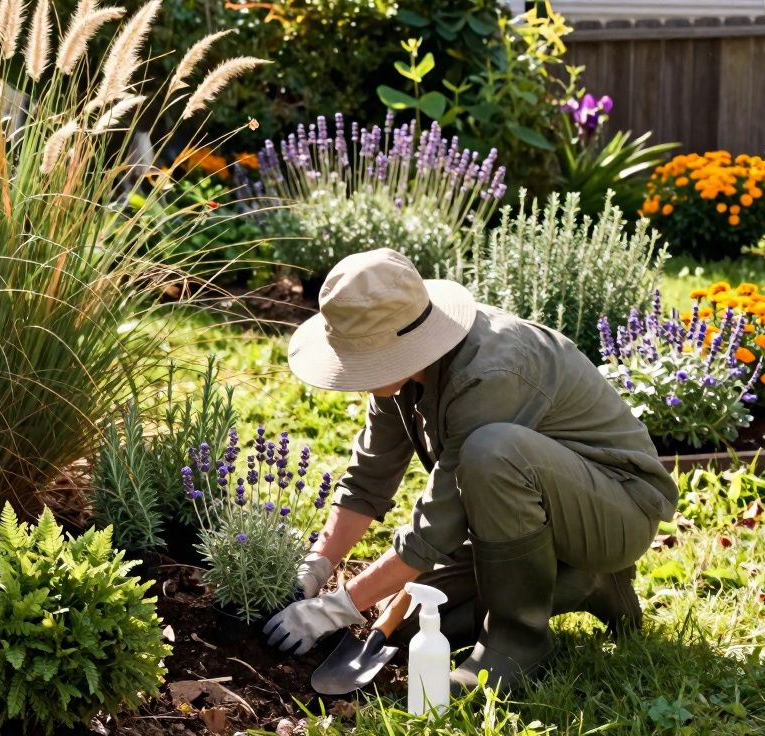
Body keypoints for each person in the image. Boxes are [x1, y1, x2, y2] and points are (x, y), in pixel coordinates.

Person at [262, 249, 678, 692]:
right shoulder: (401, 370)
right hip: (533, 512)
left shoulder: (490, 372)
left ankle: (517, 641)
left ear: (400, 343)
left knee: (491, 450)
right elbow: (367, 480)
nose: (355, 372)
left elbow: (435, 528)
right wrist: (318, 565)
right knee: (419, 623)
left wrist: (338, 607)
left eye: (364, 359)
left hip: (614, 510)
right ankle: (587, 583)